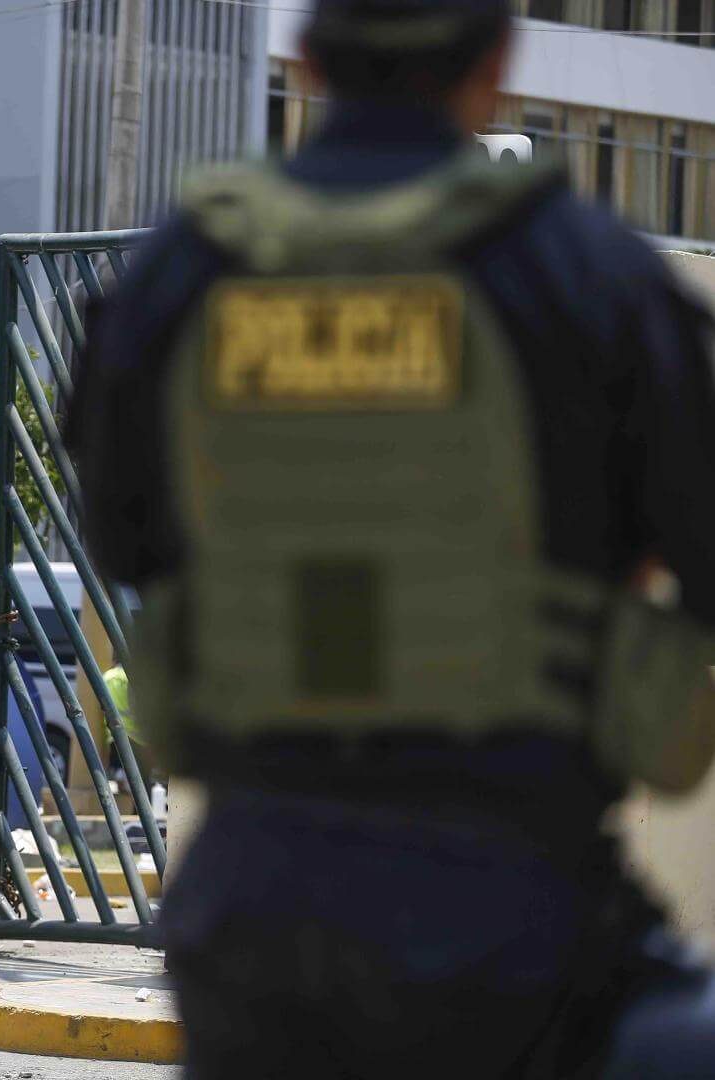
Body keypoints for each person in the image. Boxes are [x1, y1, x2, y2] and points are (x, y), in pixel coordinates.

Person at [66, 0, 715, 1072]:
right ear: (498, 65)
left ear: (309, 59)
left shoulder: (182, 271)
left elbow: (125, 540)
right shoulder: (585, 270)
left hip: (250, 923)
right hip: (525, 918)